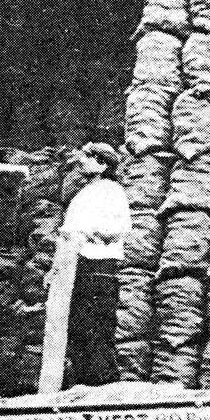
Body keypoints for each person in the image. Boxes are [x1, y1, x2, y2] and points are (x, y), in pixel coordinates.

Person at [57, 143, 131, 387]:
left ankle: (104, 391)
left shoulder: (113, 192)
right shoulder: (84, 192)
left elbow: (119, 229)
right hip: (78, 267)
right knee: (78, 332)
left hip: (100, 268)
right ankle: (84, 390)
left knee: (97, 332)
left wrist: (85, 233)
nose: (82, 161)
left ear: (102, 164)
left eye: (88, 157)